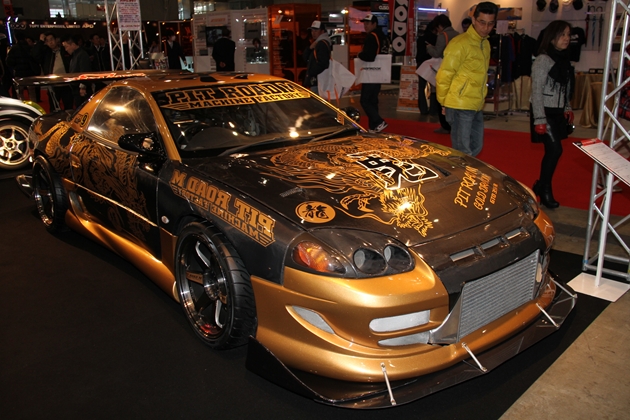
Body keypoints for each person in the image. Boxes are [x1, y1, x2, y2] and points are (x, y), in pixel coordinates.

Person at [436, 2, 498, 156]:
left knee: (475, 147)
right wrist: (444, 102)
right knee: (462, 151)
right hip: (458, 104)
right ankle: (458, 172)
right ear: (474, 20)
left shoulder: (485, 44)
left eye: (490, 23)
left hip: (475, 104)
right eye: (482, 22)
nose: (486, 27)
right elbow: (444, 74)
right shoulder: (459, 43)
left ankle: (461, 171)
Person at [530, 20, 574, 209]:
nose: (566, 38)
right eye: (562, 34)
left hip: (557, 112)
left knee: (553, 151)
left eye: (568, 35)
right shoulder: (543, 60)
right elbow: (536, 90)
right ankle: (545, 188)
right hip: (544, 112)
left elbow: (565, 89)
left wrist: (567, 107)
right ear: (552, 37)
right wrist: (539, 119)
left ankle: (541, 185)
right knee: (555, 150)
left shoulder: (564, 59)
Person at [427, 14, 459, 134]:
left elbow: (436, 53)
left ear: (440, 26)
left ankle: (445, 125)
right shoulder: (459, 35)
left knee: (441, 98)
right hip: (456, 71)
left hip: (444, 69)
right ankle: (454, 125)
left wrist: (429, 48)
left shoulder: (442, 36)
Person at [358, 14, 388, 133]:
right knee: (373, 100)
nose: (365, 26)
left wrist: (360, 54)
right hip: (380, 71)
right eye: (364, 23)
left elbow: (369, 56)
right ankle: (373, 127)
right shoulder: (383, 36)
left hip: (371, 72)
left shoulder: (371, 37)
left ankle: (378, 121)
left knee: (365, 100)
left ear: (374, 24)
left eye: (368, 23)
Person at [32, 32, 73, 110]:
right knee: (54, 108)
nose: (50, 42)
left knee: (69, 107)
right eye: (47, 41)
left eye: (51, 39)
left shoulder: (64, 50)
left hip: (66, 83)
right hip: (53, 84)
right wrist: (40, 42)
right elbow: (34, 55)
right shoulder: (46, 53)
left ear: (56, 39)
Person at [62, 34, 93, 108]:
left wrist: (83, 87)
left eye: (66, 46)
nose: (66, 49)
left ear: (73, 45)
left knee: (83, 108)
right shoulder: (75, 55)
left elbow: (84, 71)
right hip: (76, 88)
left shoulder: (82, 54)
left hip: (81, 88)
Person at [302, 20, 331, 94]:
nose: (313, 33)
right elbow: (305, 58)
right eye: (312, 31)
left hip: (318, 80)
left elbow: (323, 63)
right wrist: (309, 48)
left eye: (316, 30)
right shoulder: (317, 43)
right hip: (318, 80)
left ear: (322, 31)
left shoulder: (321, 44)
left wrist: (311, 72)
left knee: (316, 99)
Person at [416, 20, 437, 115]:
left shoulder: (420, 39)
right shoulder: (436, 38)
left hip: (421, 64)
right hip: (433, 64)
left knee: (421, 87)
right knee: (434, 87)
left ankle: (423, 109)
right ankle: (433, 109)